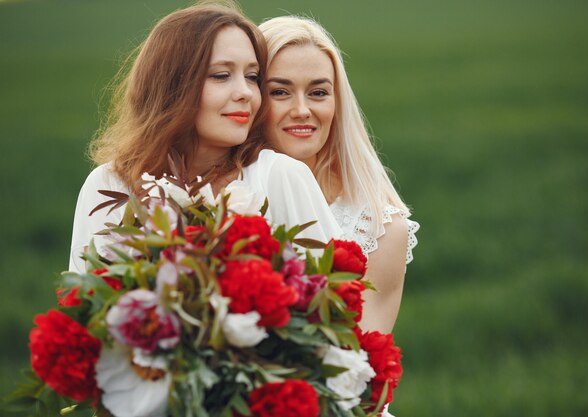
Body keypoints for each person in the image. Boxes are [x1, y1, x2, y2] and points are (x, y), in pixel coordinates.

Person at [69, 3, 342, 273]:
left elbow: (336, 302)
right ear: (171, 86)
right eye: (221, 75)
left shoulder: (280, 176)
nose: (245, 92)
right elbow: (88, 305)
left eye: (252, 76)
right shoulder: (107, 185)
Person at [260, 16, 419, 334]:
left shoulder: (379, 231)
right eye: (280, 92)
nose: (302, 109)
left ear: (337, 102)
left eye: (318, 93)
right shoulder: (218, 197)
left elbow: (369, 371)